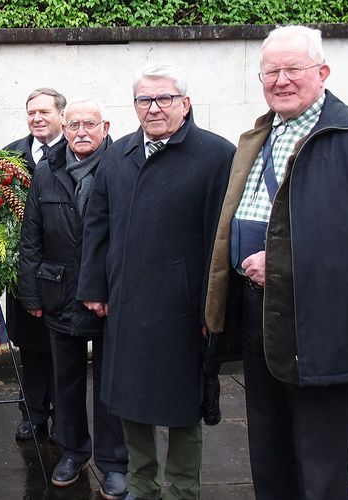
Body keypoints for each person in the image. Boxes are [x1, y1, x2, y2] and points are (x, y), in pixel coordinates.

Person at [204, 25, 348, 500]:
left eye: (294, 69)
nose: (281, 80)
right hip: (259, 319)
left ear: (323, 72)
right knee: (269, 453)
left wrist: (286, 264)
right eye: (271, 71)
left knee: (320, 465)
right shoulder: (260, 137)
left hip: (327, 328)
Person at [77, 64, 234, 500]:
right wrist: (93, 286)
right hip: (126, 303)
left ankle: (183, 490)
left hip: (183, 309)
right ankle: (142, 487)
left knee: (184, 408)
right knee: (129, 402)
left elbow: (220, 240)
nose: (154, 108)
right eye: (145, 100)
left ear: (185, 103)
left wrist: (211, 307)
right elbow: (97, 223)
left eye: (164, 99)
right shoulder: (119, 153)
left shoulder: (217, 155)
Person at [19, 98, 128, 499]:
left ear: (105, 127)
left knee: (109, 382)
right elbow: (31, 236)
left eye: (90, 124)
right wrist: (31, 291)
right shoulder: (47, 170)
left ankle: (113, 462)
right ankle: (72, 450)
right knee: (64, 380)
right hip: (58, 292)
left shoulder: (123, 165)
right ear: (64, 129)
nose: (82, 131)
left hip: (108, 295)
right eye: (75, 124)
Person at [4, 87, 66, 441]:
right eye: (32, 113)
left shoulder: (75, 150)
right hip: (24, 267)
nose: (37, 119)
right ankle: (33, 413)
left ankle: (63, 415)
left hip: (61, 268)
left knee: (60, 347)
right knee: (30, 346)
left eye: (44, 112)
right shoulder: (12, 154)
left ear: (61, 114)